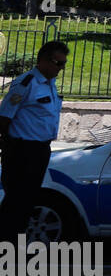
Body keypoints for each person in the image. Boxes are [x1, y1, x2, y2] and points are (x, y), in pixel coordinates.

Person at [0, 40, 68, 241]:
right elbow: (4, 117)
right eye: (58, 63)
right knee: (16, 202)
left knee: (28, 201)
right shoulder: (26, 83)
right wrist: (9, 147)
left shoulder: (50, 84)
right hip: (22, 151)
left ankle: (14, 244)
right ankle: (6, 244)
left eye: (64, 63)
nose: (61, 68)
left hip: (40, 150)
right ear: (44, 61)